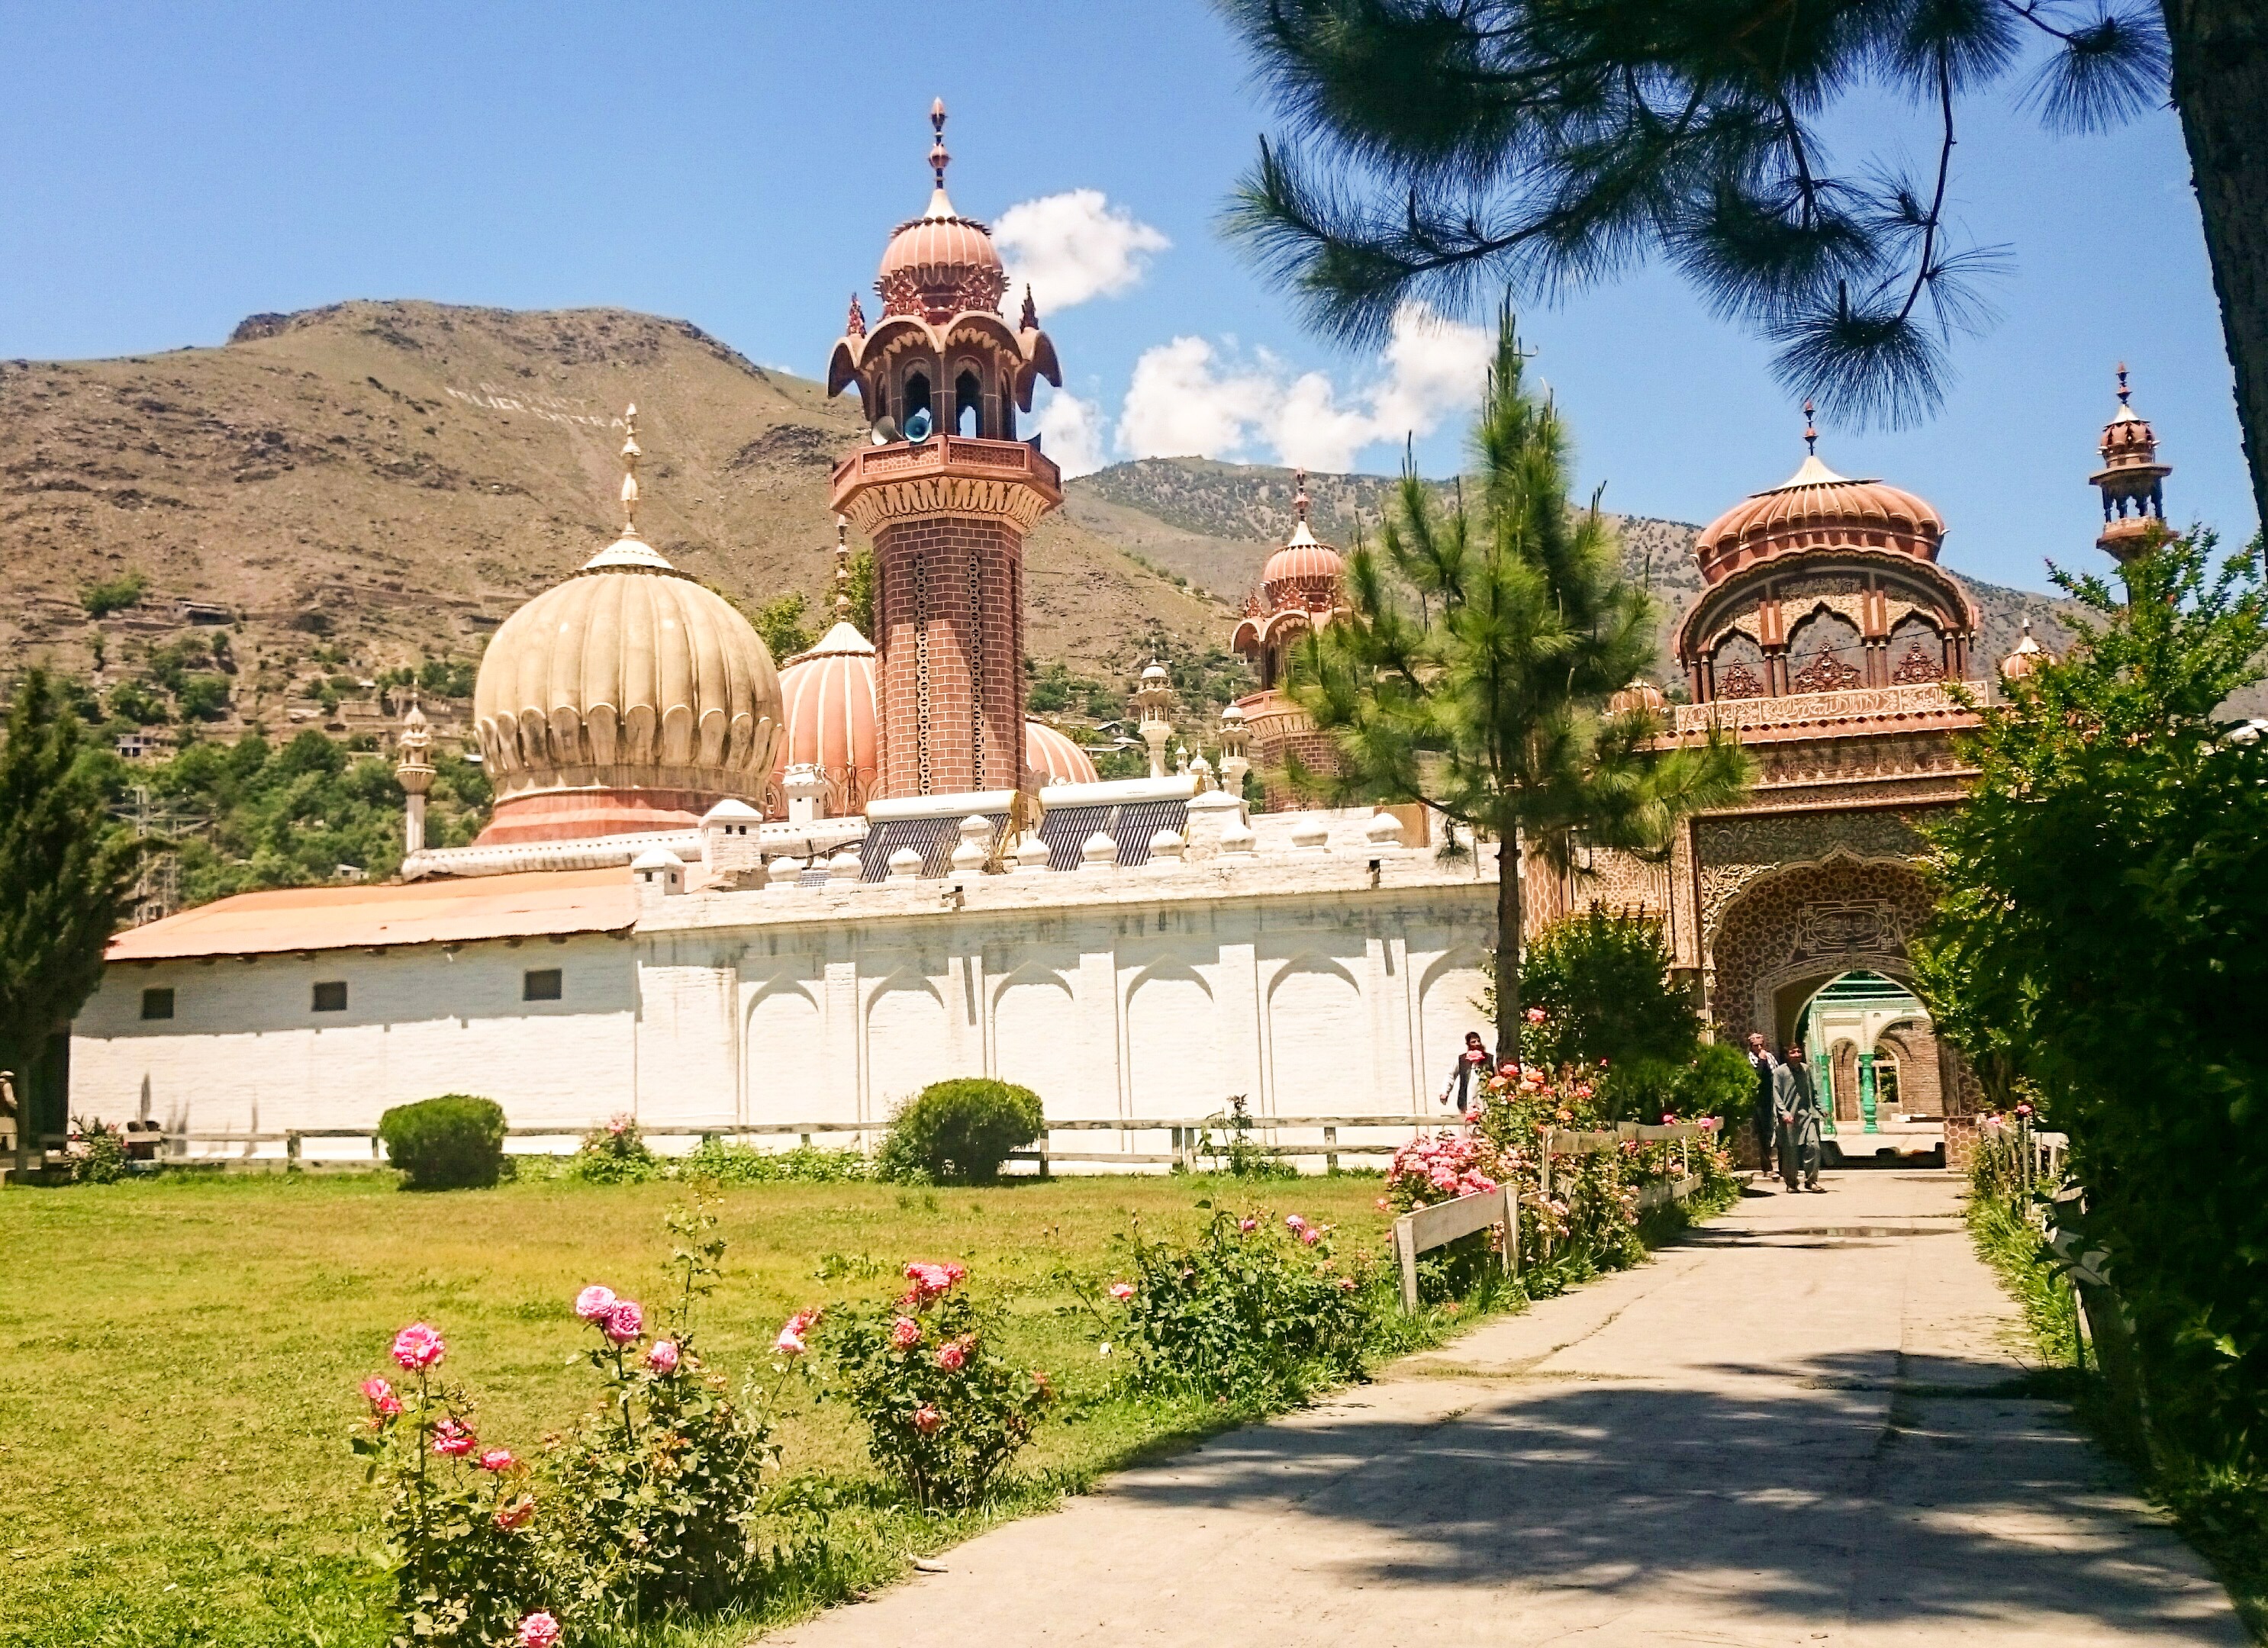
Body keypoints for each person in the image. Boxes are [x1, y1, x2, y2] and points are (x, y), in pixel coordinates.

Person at [1773, 1043, 1825, 1193]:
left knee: (1814, 1146)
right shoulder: (1780, 1072)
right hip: (1790, 1118)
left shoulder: (1805, 1069)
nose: (1797, 1054)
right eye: (1793, 1052)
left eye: (1799, 1051)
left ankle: (1811, 1181)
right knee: (1791, 1151)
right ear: (1786, 1055)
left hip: (1807, 1116)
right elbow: (1776, 1095)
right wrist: (1784, 1113)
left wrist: (1821, 1108)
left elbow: (1812, 1091)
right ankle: (1791, 1182)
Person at [1744, 1033, 1780, 1181]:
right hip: (1760, 1101)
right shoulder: (1750, 1060)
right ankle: (1767, 1167)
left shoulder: (1770, 1057)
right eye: (1756, 1046)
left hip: (1773, 1098)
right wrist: (1761, 1061)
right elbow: (1756, 1077)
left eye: (1761, 1045)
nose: (1759, 1048)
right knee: (1764, 1134)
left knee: (1776, 1131)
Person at [1442, 1031, 1492, 1113]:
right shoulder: (1461, 1060)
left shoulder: (1490, 1059)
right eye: (1473, 1042)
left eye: (1478, 1041)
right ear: (1468, 1044)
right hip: (1467, 1101)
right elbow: (1450, 1076)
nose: (1477, 1044)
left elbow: (1497, 1077)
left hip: (1486, 1102)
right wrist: (1445, 1092)